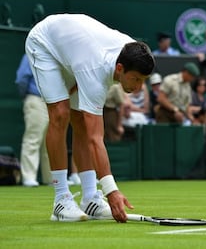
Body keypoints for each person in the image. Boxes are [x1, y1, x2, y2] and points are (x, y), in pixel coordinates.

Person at [25, 14, 155, 223]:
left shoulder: (132, 53)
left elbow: (89, 133)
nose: (139, 88)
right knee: (60, 114)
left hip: (76, 52)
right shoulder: (96, 70)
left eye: (143, 81)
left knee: (81, 122)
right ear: (120, 69)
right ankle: (61, 200)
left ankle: (90, 199)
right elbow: (96, 140)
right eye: (136, 80)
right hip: (45, 44)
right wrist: (112, 191)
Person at [15, 54, 52, 187]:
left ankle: (51, 178)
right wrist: (28, 95)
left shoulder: (55, 54)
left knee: (51, 141)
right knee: (33, 138)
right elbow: (21, 79)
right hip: (35, 98)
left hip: (53, 102)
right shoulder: (31, 54)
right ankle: (29, 177)